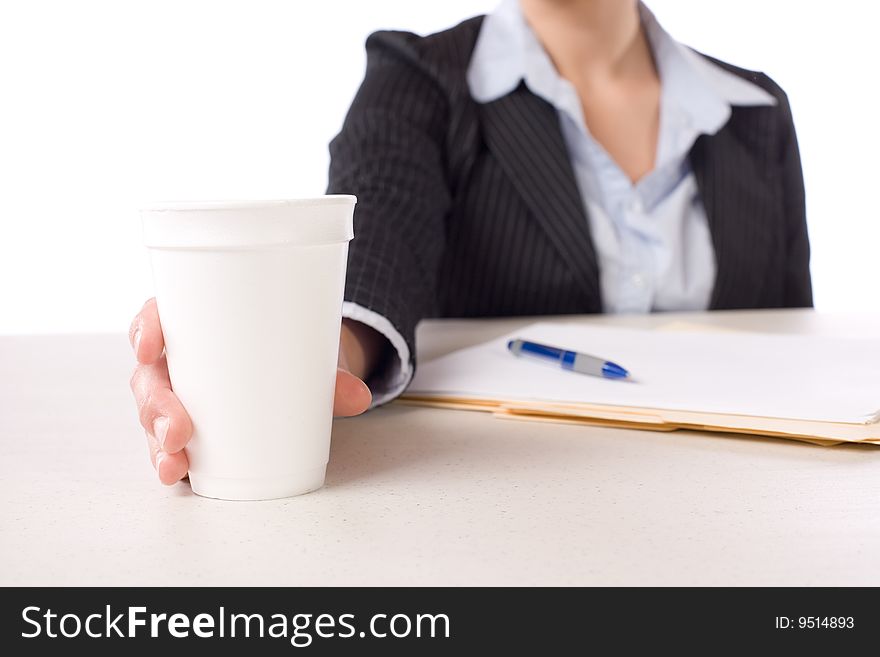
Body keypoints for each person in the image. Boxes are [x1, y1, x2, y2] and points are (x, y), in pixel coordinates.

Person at [130, 0, 812, 485]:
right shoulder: (420, 79)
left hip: (744, 491)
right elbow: (379, 238)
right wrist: (298, 347)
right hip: (516, 493)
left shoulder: (756, 111)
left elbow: (792, 340)